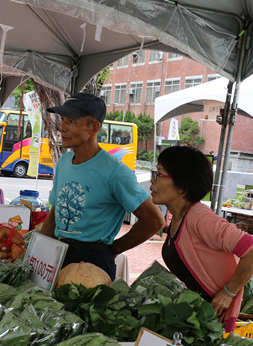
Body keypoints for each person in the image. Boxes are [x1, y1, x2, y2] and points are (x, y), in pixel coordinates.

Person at [41, 92, 165, 279]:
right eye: (63, 119)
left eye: (72, 121)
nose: (63, 127)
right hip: (58, 253)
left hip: (93, 260)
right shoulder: (65, 162)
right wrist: (41, 249)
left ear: (94, 127)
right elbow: (55, 210)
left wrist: (113, 249)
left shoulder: (115, 172)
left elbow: (154, 221)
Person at [150, 146, 253, 332]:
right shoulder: (179, 217)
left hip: (213, 324)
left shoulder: (200, 218)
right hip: (193, 320)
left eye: (159, 173)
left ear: (182, 186)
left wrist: (228, 293)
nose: (152, 181)